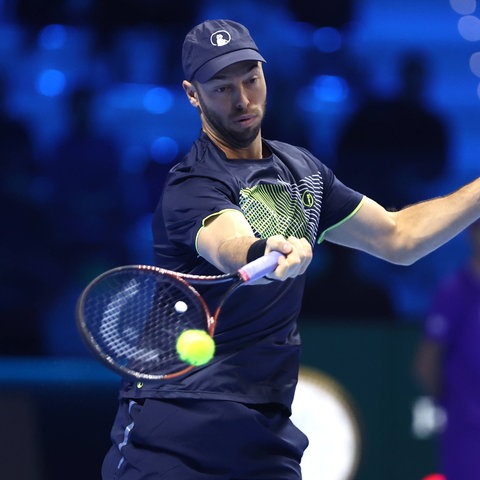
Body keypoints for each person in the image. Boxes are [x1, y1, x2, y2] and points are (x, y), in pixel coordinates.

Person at [101, 19, 480, 479]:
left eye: (251, 80)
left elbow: (399, 238)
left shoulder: (304, 172)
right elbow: (226, 241)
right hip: (171, 435)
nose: (242, 100)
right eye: (222, 87)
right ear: (192, 94)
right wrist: (263, 248)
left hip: (264, 432)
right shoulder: (193, 183)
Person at [414, 220, 480, 480]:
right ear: (472, 234)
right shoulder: (452, 291)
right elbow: (426, 364)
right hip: (465, 430)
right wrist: (457, 403)